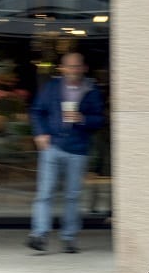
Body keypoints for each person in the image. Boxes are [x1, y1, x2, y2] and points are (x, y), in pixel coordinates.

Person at [27, 52, 105, 253]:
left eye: (76, 66)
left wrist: (82, 118)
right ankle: (39, 235)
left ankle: (69, 238)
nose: (73, 70)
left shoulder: (91, 90)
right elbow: (37, 111)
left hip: (78, 150)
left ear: (83, 68)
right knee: (45, 193)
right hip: (52, 147)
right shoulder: (52, 87)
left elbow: (100, 120)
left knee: (72, 196)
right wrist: (40, 133)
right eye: (69, 66)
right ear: (62, 68)